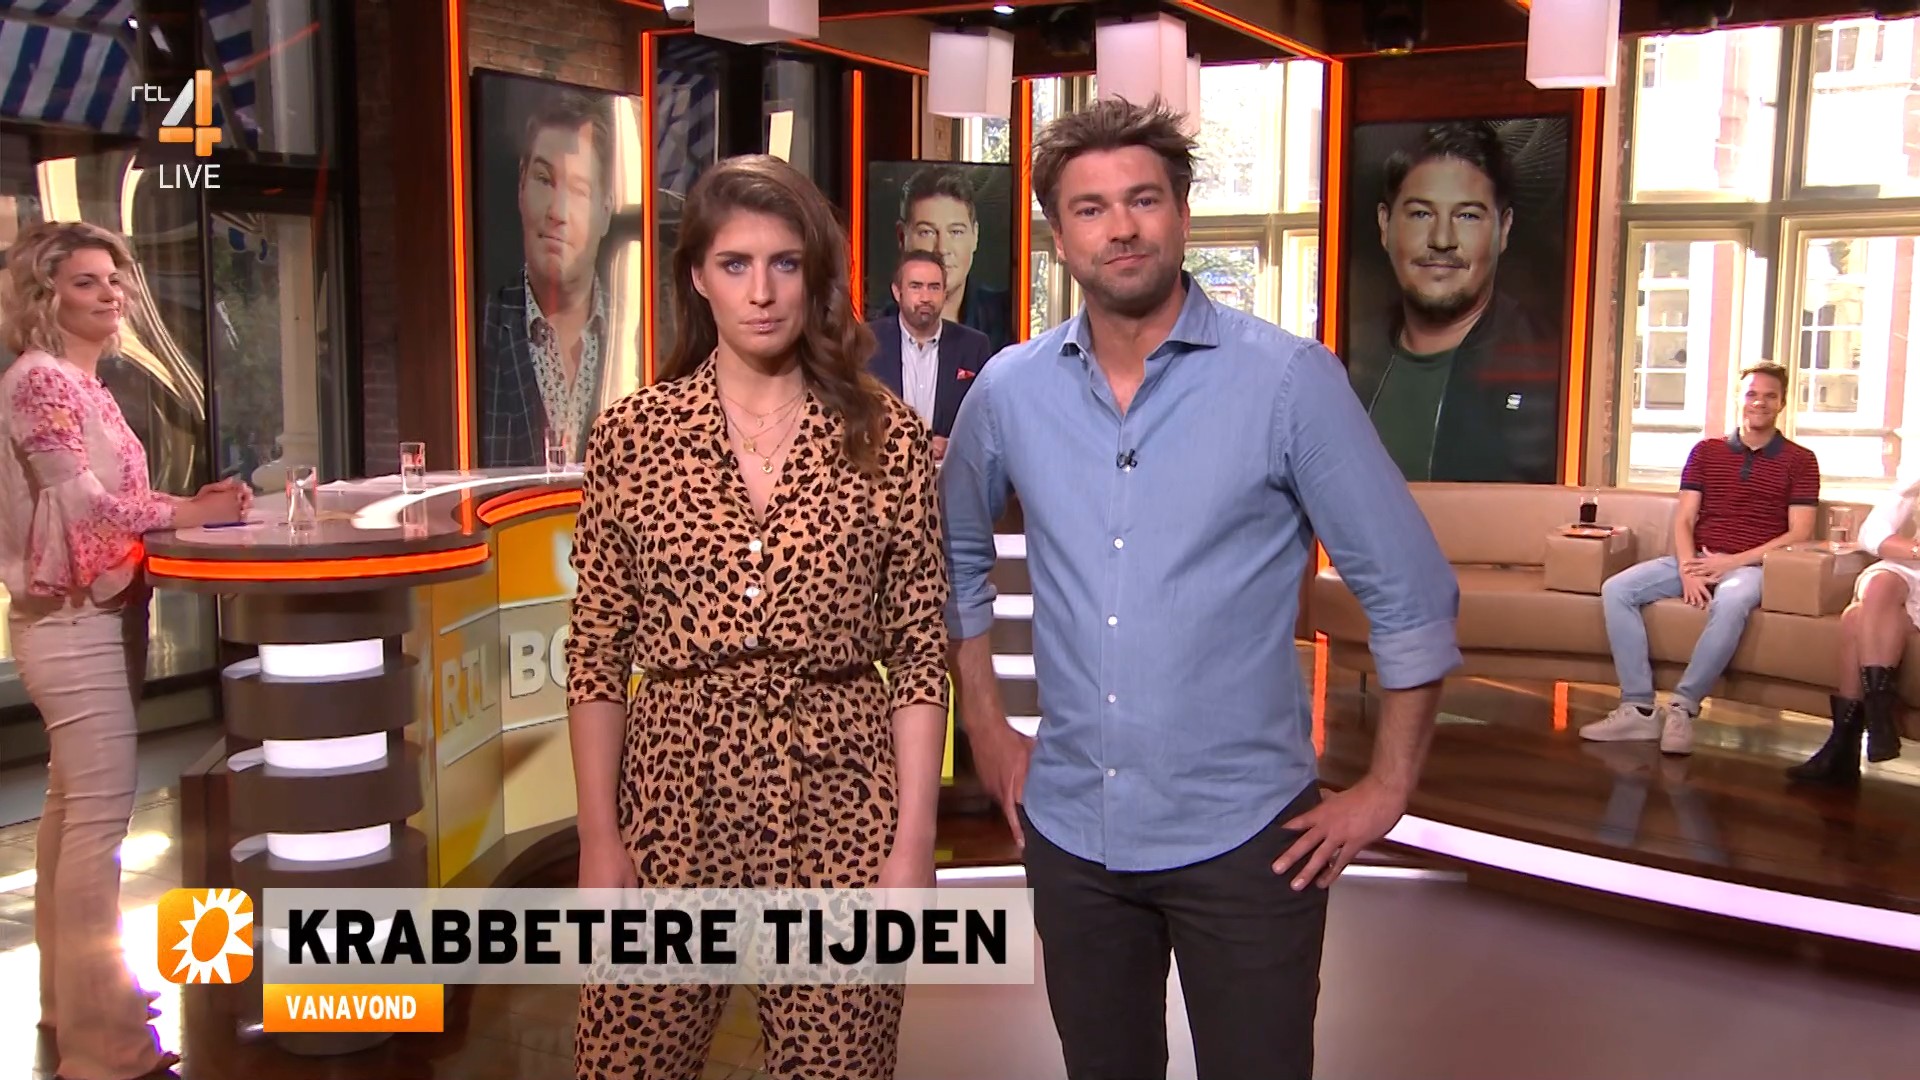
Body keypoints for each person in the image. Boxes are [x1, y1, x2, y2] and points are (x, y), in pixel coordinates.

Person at [942, 98, 1460, 1080]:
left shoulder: (1289, 382)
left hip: (1249, 841)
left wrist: (1388, 789)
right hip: (1073, 838)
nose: (1121, 227)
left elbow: (1411, 592)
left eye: (1143, 199)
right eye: (1091, 208)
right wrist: (990, 729)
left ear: (1182, 214)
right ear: (1059, 235)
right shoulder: (1009, 391)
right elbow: (955, 559)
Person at [565, 155, 949, 1080]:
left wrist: (912, 847)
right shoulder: (631, 436)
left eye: (784, 263)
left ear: (816, 276)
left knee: (836, 1067)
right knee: (626, 1064)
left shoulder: (886, 435)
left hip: (840, 793)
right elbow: (596, 651)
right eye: (735, 264)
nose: (762, 291)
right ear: (698, 277)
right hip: (670, 792)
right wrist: (599, 841)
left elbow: (919, 650)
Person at [0, 221, 249, 1080]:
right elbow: (79, 506)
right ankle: (103, 1048)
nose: (110, 293)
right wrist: (189, 513)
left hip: (98, 614)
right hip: (71, 621)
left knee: (71, 812)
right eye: (85, 281)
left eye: (115, 278)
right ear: (44, 297)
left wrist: (186, 504)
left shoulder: (81, 380)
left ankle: (73, 1002)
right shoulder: (41, 380)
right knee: (96, 824)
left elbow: (107, 497)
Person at [1583, 364, 1819, 756]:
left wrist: (1732, 563)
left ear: (1782, 402)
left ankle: (1683, 707)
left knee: (1732, 600)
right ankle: (1639, 708)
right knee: (1618, 589)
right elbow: (1685, 519)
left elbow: (1800, 533)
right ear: (1739, 398)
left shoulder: (1801, 460)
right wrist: (1688, 568)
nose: (1759, 402)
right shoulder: (1707, 451)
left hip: (1752, 567)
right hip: (1697, 558)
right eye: (1752, 394)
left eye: (1770, 395)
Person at [1346, 121, 1560, 484]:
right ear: (1385, 225)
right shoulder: (1340, 368)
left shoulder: (1552, 373)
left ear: (1504, 229)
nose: (1442, 239)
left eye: (1467, 216)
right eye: (1421, 214)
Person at [479, 90, 616, 468]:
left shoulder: (638, 336)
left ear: (605, 211)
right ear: (521, 187)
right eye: (544, 179)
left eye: (579, 190)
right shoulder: (477, 333)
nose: (558, 212)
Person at [1787, 477, 1915, 784]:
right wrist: (1913, 549)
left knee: (1855, 618)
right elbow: (1872, 534)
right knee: (1880, 582)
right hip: (1912, 565)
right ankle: (1879, 716)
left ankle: (1843, 747)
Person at [866, 249, 994, 462]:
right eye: (916, 286)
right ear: (897, 292)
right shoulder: (866, 342)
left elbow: (986, 423)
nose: (925, 298)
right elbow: (850, 418)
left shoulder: (974, 346)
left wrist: (953, 445)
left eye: (934, 287)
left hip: (948, 475)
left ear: (944, 293)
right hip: (884, 474)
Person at [884, 166, 1014, 353]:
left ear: (975, 236)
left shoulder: (1008, 320)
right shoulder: (872, 335)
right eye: (927, 232)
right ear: (902, 237)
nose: (942, 249)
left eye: (956, 232)